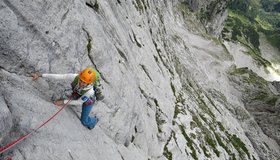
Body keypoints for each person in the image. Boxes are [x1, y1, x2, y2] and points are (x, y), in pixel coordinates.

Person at [32, 67, 104, 129]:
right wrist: (40, 75)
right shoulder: (76, 77)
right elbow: (60, 76)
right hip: (79, 93)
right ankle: (77, 94)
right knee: (77, 93)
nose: (81, 83)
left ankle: (94, 121)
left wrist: (63, 102)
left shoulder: (90, 92)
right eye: (81, 80)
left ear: (89, 83)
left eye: (84, 82)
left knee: (84, 121)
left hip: (88, 100)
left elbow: (79, 102)